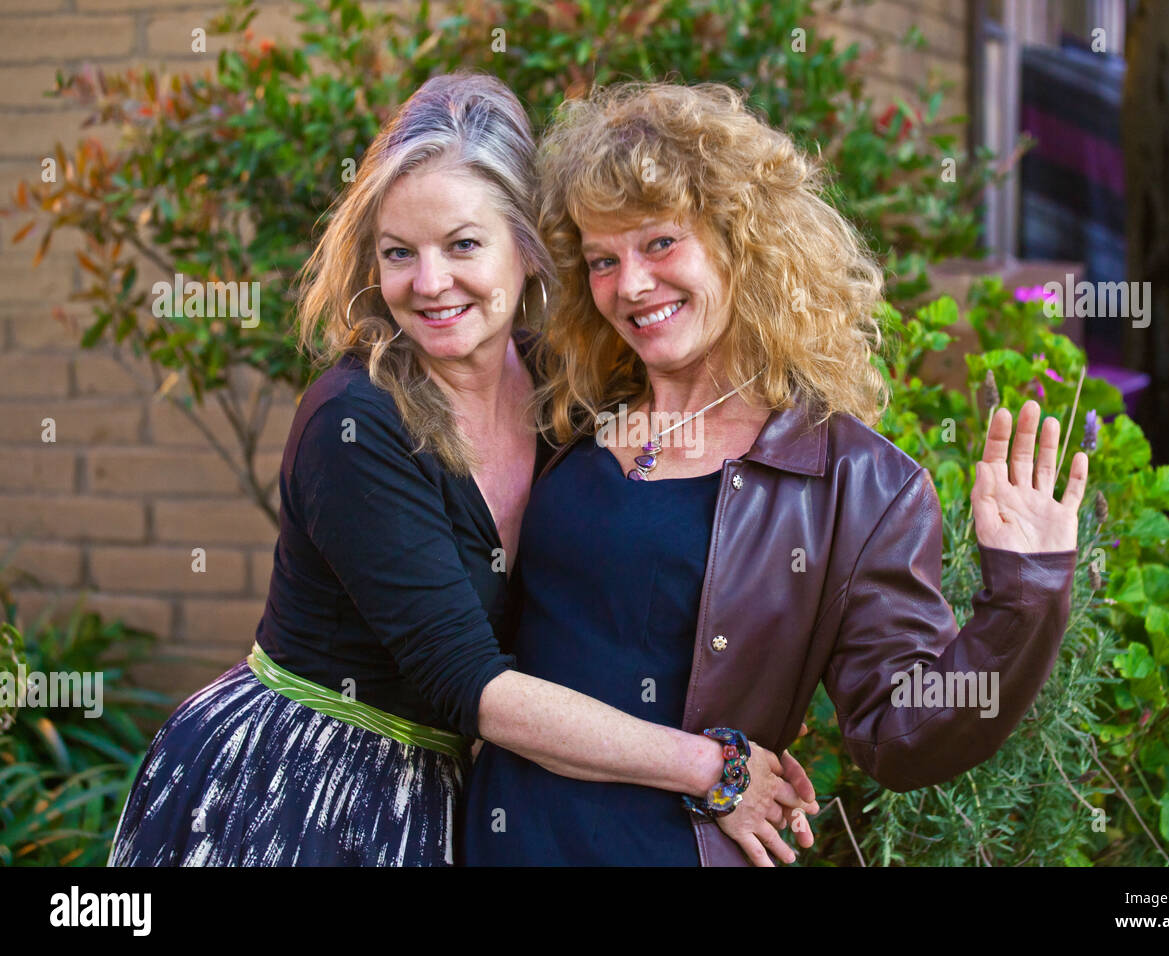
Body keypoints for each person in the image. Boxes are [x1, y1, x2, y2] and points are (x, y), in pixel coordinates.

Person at [108, 73, 816, 868]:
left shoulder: (568, 393)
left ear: (530, 247)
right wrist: (711, 769)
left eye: (464, 245)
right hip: (302, 788)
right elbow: (473, 685)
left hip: (468, 793)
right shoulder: (355, 422)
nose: (430, 283)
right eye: (399, 254)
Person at [462, 82, 1089, 867]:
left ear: (739, 239)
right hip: (500, 839)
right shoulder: (565, 412)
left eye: (660, 244)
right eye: (602, 260)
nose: (630, 285)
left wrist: (1025, 597)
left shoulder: (855, 483)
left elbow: (901, 731)